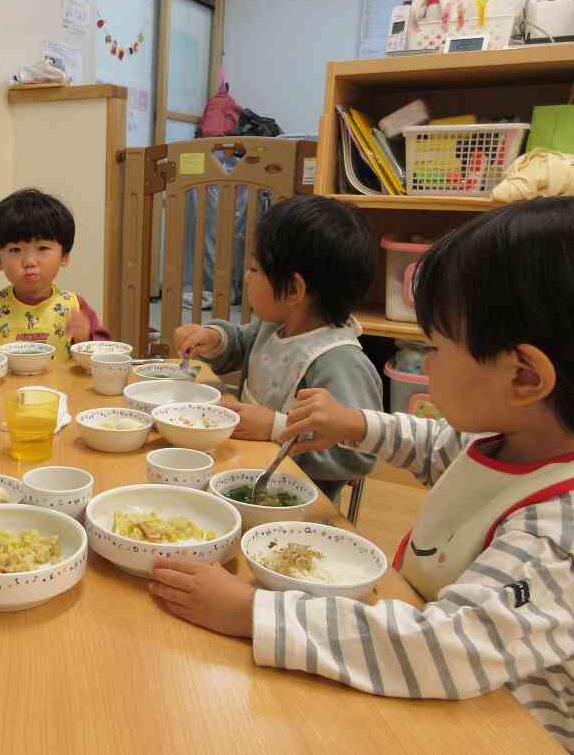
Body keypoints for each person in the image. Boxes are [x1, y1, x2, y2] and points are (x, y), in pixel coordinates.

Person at [151, 197, 574, 750]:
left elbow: (440, 648)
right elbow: (435, 444)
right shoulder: (512, 440)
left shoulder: (554, 535)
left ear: (524, 377)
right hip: (428, 666)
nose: (424, 364)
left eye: (435, 348)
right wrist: (355, 424)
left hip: (494, 725)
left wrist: (252, 612)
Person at [174, 195, 381, 499]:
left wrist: (275, 427)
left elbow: (358, 455)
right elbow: (243, 343)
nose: (246, 277)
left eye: (255, 269)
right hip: (241, 468)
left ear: (295, 289)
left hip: (294, 502)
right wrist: (214, 338)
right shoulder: (274, 325)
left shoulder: (338, 361)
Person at [0, 188, 110, 358]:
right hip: (5, 385)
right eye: (15, 250)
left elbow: (104, 356)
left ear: (64, 257)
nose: (29, 262)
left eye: (43, 248)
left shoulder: (75, 306)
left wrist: (85, 338)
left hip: (61, 385)